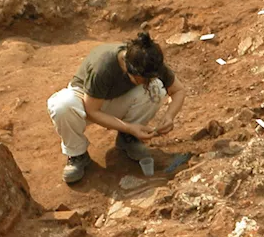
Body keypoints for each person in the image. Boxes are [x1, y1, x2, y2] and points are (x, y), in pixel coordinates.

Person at [46, 32, 186, 184]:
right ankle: (77, 154)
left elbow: (178, 90)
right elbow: (91, 110)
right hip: (85, 100)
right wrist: (130, 127)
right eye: (142, 79)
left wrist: (170, 116)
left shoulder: (148, 61)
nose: (145, 82)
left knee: (156, 88)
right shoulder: (103, 66)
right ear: (128, 67)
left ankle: (128, 140)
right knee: (62, 106)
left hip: (115, 99)